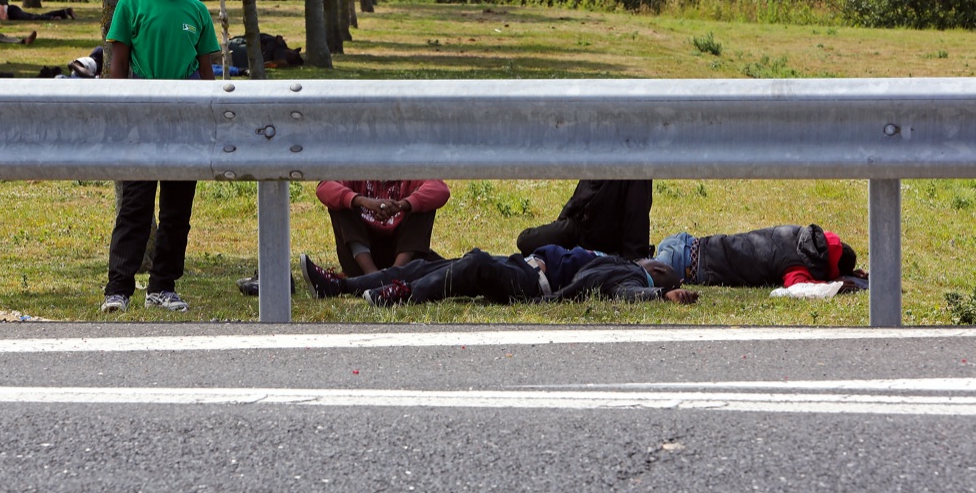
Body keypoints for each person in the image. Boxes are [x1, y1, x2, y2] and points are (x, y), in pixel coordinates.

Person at [100, 0, 219, 314]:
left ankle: (162, 287)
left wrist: (207, 115)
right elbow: (118, 64)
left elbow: (206, 73)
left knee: (177, 210)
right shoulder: (131, 3)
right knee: (135, 205)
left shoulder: (197, 11)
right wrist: (120, 112)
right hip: (140, 117)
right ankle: (117, 289)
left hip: (184, 120)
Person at [299, 247, 698, 307]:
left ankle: (401, 295)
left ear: (659, 272)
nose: (649, 259)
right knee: (432, 264)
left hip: (531, 285)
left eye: (655, 261)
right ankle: (341, 286)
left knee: (472, 264)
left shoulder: (630, 275)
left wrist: (660, 298)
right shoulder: (623, 261)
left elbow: (615, 292)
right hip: (524, 266)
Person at [653, 224, 867, 290]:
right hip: (683, 266)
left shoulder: (800, 234)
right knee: (629, 277)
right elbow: (799, 290)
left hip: (683, 243)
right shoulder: (797, 267)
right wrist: (834, 284)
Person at [315, 179, 451, 276]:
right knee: (342, 200)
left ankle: (394, 273)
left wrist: (402, 205)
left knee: (423, 201)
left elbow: (440, 189)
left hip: (403, 257)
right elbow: (325, 186)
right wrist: (362, 201)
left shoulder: (411, 167)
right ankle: (371, 273)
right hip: (359, 261)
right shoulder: (355, 166)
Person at [517, 179, 653, 260]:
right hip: (579, 232)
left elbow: (636, 224)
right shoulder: (604, 151)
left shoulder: (635, 167)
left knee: (528, 241)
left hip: (593, 239)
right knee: (526, 240)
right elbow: (580, 198)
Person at [0, 0, 75, 21]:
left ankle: (53, 17)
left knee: (31, 17)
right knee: (33, 16)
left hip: (10, 11)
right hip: (10, 13)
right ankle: (64, 12)